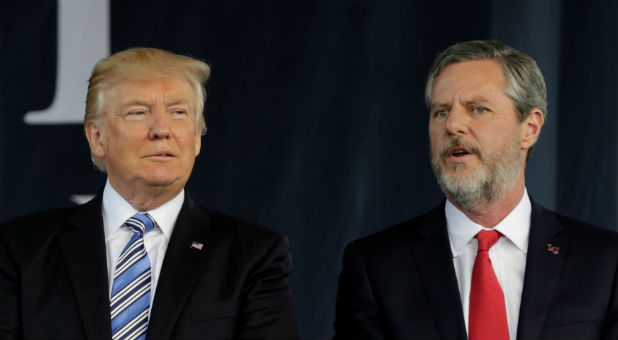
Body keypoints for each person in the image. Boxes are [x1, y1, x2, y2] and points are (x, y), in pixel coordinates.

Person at [0, 48, 298, 339]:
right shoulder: (20, 249)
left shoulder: (253, 254)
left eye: (179, 112)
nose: (161, 130)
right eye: (139, 112)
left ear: (196, 138)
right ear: (97, 137)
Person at [334, 40, 618, 340]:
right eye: (441, 112)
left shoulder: (605, 262)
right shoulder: (376, 267)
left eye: (478, 109)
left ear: (529, 128)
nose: (453, 125)